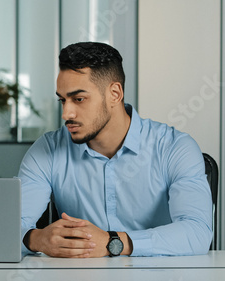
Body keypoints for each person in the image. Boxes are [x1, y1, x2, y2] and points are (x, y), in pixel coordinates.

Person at [19, 42, 212, 258]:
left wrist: (114, 243)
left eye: (79, 99)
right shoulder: (47, 150)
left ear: (115, 94)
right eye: (62, 100)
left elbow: (197, 232)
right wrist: (36, 239)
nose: (67, 113)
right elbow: (9, 228)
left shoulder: (175, 147)